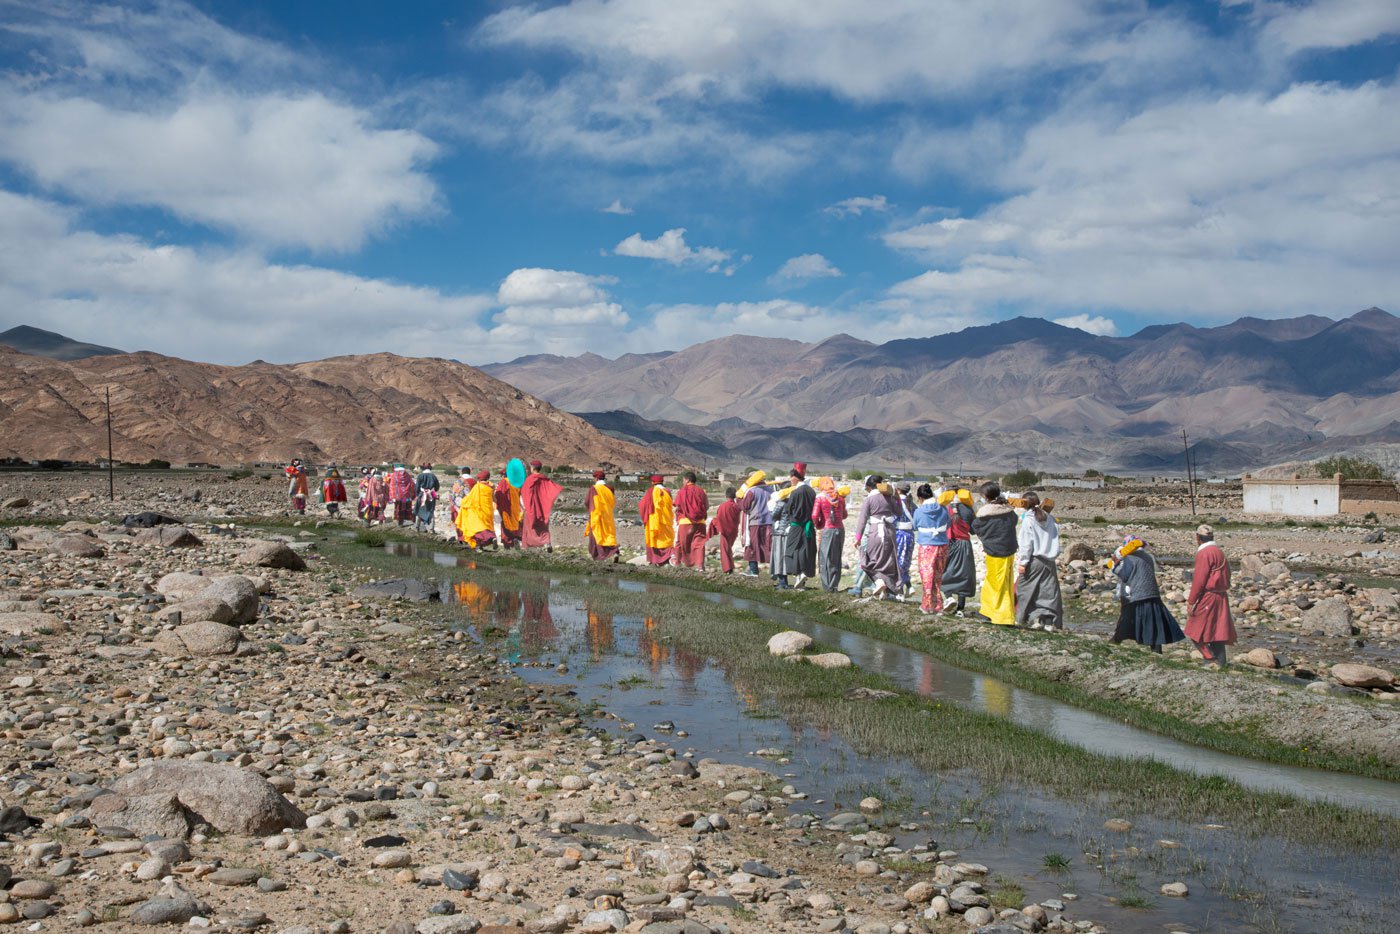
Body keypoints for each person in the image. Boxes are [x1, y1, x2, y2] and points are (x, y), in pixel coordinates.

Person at [1109, 535, 1185, 653]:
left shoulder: (1129, 557)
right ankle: (1156, 651)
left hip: (1136, 594)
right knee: (1153, 622)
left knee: (1126, 620)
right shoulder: (1148, 556)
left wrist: (1115, 565)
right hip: (1152, 593)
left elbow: (1125, 575)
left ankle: (1114, 643)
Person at [1185, 524, 1235, 667]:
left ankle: (1210, 659)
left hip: (1209, 596)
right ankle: (1221, 661)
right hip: (1221, 595)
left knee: (1194, 629)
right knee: (1217, 629)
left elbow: (1199, 579)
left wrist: (1191, 600)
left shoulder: (1204, 553)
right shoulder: (1219, 552)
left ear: (1198, 538)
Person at [971, 481, 1017, 626]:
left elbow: (975, 528)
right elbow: (1014, 522)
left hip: (995, 552)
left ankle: (1000, 616)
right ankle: (990, 612)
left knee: (995, 583)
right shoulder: (1008, 510)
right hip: (1009, 550)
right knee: (1005, 582)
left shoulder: (985, 513)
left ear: (985, 496)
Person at [1014, 491, 1062, 630]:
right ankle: (1048, 621)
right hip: (1049, 561)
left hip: (1034, 560)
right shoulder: (1050, 519)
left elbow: (1026, 543)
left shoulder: (1028, 520)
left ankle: (1025, 619)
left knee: (1025, 590)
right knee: (1047, 591)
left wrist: (1023, 562)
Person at [854, 475, 900, 598]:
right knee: (888, 561)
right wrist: (897, 498)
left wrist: (857, 538)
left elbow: (862, 520)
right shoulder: (889, 497)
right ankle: (886, 593)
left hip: (875, 532)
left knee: (870, 560)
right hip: (890, 532)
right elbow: (899, 512)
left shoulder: (869, 500)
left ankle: (879, 582)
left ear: (869, 487)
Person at [912, 483, 951, 615]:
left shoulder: (919, 511)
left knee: (927, 575)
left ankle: (927, 605)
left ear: (920, 498)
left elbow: (915, 526)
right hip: (942, 545)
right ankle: (938, 605)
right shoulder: (943, 509)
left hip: (927, 545)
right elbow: (948, 523)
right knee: (938, 575)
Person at [940, 489, 976, 616]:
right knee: (964, 575)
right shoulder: (968, 509)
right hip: (965, 545)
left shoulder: (944, 509)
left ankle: (949, 597)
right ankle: (960, 609)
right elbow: (973, 531)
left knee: (945, 571)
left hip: (949, 543)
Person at [779, 469, 817, 589]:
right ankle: (803, 579)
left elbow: (788, 509)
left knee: (794, 550)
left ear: (796, 477)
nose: (790, 480)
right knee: (807, 550)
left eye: (791, 477)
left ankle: (799, 574)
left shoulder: (796, 492)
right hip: (809, 526)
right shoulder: (812, 491)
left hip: (796, 526)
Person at [521, 460, 564, 551]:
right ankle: (547, 543)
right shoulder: (544, 479)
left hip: (531, 507)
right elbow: (551, 491)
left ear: (532, 468)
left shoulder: (529, 480)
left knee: (530, 527)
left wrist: (525, 506)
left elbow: (525, 493)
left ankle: (529, 545)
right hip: (542, 507)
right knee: (543, 526)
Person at [813, 477, 847, 592]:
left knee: (824, 557)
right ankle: (835, 585)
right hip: (840, 530)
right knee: (836, 558)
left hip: (827, 530)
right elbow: (844, 515)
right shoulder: (840, 497)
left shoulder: (820, 498)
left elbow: (814, 515)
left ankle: (827, 586)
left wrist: (818, 525)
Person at [739, 470, 773, 576]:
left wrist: (738, 499)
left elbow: (744, 506)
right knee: (768, 546)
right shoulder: (771, 490)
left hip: (755, 522)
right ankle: (774, 571)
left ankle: (753, 570)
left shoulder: (751, 491)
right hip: (769, 522)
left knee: (752, 546)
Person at [673, 472, 709, 568]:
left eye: (683, 480)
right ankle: (700, 567)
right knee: (699, 544)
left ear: (687, 480)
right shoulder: (701, 491)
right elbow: (706, 506)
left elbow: (678, 505)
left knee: (680, 543)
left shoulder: (682, 491)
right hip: (700, 522)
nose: (683, 482)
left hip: (685, 522)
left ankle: (677, 563)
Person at [638, 474, 675, 565]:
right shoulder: (667, 491)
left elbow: (642, 506)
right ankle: (668, 557)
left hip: (653, 521)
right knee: (666, 538)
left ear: (652, 482)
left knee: (654, 538)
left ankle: (655, 560)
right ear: (662, 482)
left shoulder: (650, 492)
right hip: (666, 520)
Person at [457, 470, 498, 550]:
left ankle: (490, 539)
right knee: (487, 526)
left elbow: (470, 498)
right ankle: (481, 545)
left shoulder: (477, 487)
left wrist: (463, 502)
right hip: (488, 510)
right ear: (488, 478)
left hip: (478, 511)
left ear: (479, 479)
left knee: (477, 527)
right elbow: (494, 499)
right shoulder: (491, 487)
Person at [584, 470, 619, 561]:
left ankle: (600, 556)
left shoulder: (594, 488)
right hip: (608, 514)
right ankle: (614, 551)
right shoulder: (610, 488)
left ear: (596, 478)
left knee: (597, 534)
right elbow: (612, 501)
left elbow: (587, 502)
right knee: (608, 533)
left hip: (597, 514)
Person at [708, 487, 741, 573]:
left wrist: (713, 522)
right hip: (734, 531)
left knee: (725, 550)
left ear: (726, 496)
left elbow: (718, 518)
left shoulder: (722, 506)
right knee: (728, 548)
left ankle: (727, 569)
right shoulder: (737, 507)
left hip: (724, 531)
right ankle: (731, 566)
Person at [894, 482, 916, 597]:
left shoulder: (896, 503)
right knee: (906, 561)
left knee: (898, 562)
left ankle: (900, 591)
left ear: (897, 490)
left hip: (898, 534)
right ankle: (909, 586)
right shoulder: (911, 503)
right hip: (910, 535)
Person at [494, 469, 523, 548]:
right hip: (516, 507)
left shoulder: (504, 482)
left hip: (506, 507)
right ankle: (515, 539)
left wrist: (498, 505)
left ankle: (507, 543)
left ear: (504, 475)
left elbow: (498, 494)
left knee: (505, 525)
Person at [414, 463, 440, 533]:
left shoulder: (420, 476)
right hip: (431, 495)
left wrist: (417, 494)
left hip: (421, 494)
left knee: (419, 509)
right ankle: (431, 529)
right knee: (431, 510)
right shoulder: (433, 476)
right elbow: (437, 487)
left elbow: (417, 487)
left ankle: (417, 527)